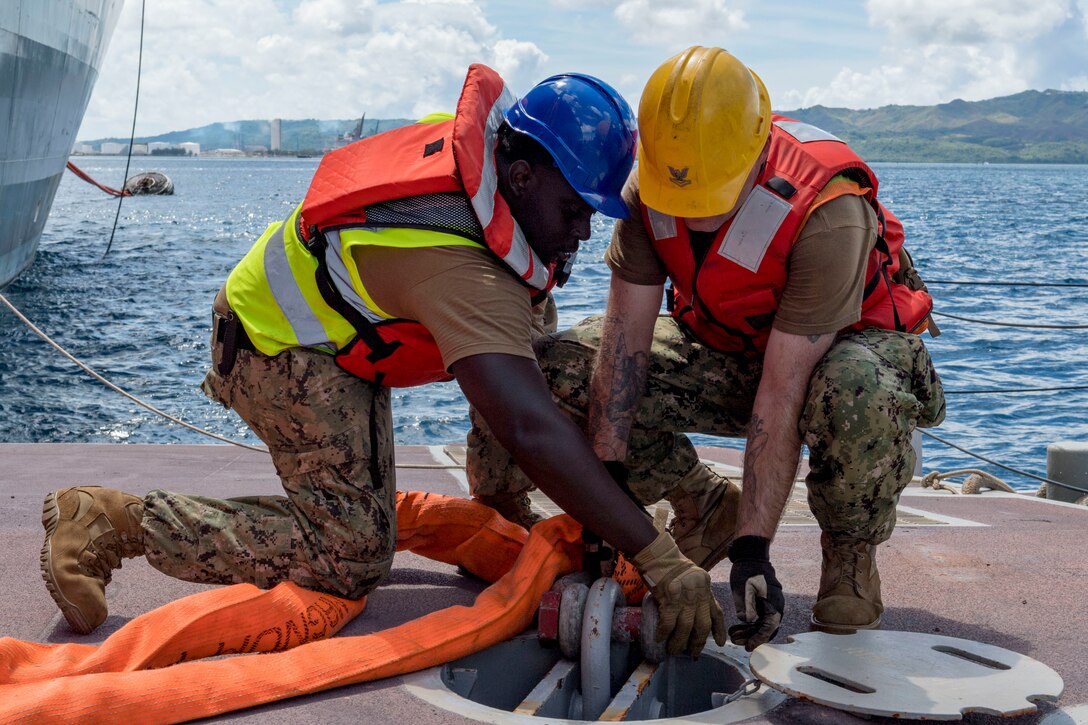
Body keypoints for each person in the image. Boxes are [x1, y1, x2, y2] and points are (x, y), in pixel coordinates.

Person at [38, 63, 725, 658]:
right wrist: (656, 556)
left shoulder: (489, 175)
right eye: (576, 210)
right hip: (280, 349)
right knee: (352, 552)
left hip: (348, 332)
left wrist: (514, 519)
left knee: (540, 361)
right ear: (520, 175)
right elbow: (528, 425)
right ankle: (111, 520)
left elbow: (524, 378)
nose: (583, 230)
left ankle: (505, 507)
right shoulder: (461, 267)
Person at [468, 46, 945, 650]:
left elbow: (782, 391)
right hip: (725, 344)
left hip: (837, 356)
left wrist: (753, 555)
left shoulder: (829, 212)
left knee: (857, 390)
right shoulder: (652, 189)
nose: (691, 216)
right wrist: (605, 514)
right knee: (562, 371)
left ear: (754, 156)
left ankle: (849, 557)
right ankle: (703, 502)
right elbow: (625, 352)